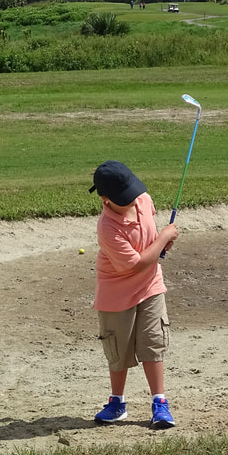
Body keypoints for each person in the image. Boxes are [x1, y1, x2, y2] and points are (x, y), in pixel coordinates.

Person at [88, 160, 179, 429]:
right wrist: (163, 238)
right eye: (123, 197)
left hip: (150, 285)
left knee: (153, 342)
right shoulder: (107, 227)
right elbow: (136, 264)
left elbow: (149, 241)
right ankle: (117, 403)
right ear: (105, 199)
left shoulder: (143, 200)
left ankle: (159, 403)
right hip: (116, 292)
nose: (132, 199)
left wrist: (162, 242)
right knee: (119, 350)